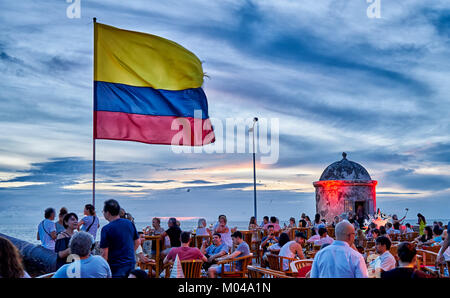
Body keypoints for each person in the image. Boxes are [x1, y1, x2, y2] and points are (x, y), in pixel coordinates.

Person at [100, 199, 139, 278]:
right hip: (130, 263)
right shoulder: (129, 223)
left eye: (103, 211)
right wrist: (128, 253)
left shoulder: (106, 229)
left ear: (108, 212)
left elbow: (104, 254)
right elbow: (137, 242)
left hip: (116, 266)